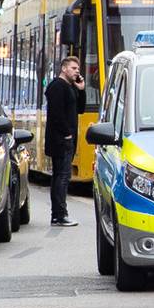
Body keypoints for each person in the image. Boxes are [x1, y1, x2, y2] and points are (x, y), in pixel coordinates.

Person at [42, 55, 85, 227]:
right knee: (62, 177)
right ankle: (59, 215)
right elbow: (56, 114)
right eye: (73, 68)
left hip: (67, 140)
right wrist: (67, 134)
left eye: (78, 69)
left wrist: (81, 89)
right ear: (64, 68)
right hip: (60, 141)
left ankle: (58, 214)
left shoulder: (70, 87)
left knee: (61, 176)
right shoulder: (57, 87)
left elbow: (80, 109)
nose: (77, 72)